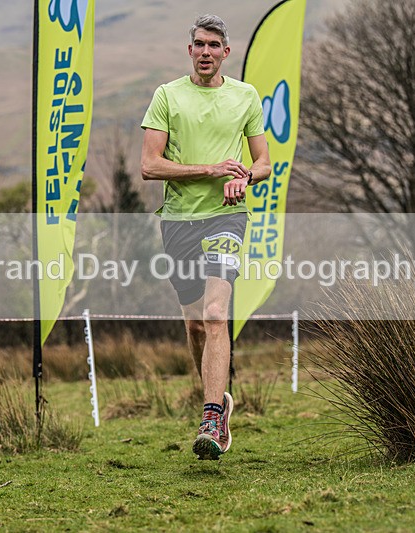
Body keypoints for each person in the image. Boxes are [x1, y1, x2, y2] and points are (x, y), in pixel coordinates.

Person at [140, 14, 271, 460]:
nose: (206, 52)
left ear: (225, 53)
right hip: (178, 222)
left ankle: (212, 417)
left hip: (226, 217)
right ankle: (217, 399)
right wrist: (211, 169)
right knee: (195, 324)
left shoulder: (245, 96)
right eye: (199, 44)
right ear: (190, 50)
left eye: (214, 45)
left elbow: (265, 162)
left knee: (217, 315)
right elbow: (150, 166)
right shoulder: (167, 96)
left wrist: (244, 178)